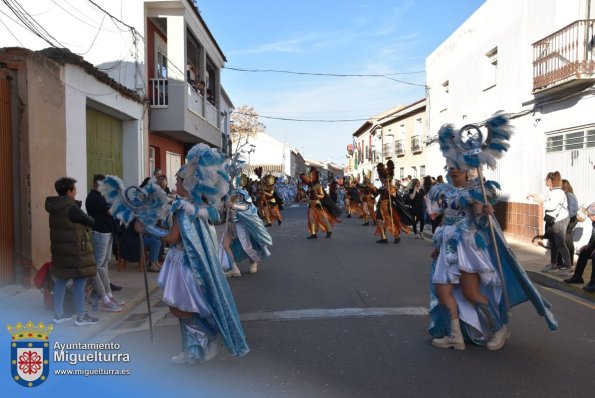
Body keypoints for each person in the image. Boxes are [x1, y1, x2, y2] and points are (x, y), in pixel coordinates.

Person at [428, 118, 556, 351]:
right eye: (450, 165)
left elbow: (478, 222)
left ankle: (500, 327)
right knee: (442, 290)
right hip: (447, 249)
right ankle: (455, 336)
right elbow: (445, 220)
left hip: (466, 248)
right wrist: (437, 246)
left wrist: (485, 212)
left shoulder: (476, 193)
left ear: (467, 169)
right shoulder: (444, 191)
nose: (453, 169)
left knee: (470, 293)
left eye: (458, 166)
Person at [138, 144, 249, 364]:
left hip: (184, 265)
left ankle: (200, 343)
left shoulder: (183, 208)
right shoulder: (198, 207)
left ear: (188, 185)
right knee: (183, 309)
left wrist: (147, 229)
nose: (176, 183)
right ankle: (194, 348)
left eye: (179, 181)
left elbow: (172, 238)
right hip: (186, 263)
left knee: (181, 309)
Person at [46, 177, 99, 326]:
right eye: (74, 189)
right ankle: (81, 316)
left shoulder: (54, 207)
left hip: (60, 251)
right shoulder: (72, 208)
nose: (76, 192)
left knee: (61, 281)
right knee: (79, 281)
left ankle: (58, 314)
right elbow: (90, 221)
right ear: (69, 191)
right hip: (75, 252)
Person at [85, 174, 125, 312]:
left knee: (105, 262)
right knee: (99, 265)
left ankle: (108, 295)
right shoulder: (94, 197)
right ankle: (105, 297)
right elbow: (111, 212)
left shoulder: (100, 196)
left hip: (107, 232)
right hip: (101, 233)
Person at [221, 189, 272, 277]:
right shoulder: (227, 194)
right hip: (231, 224)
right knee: (225, 245)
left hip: (242, 224)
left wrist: (233, 205)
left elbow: (246, 207)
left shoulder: (241, 192)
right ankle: (234, 269)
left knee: (247, 246)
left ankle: (254, 261)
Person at [528, 171, 571, 273]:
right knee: (553, 243)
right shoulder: (553, 191)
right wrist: (535, 196)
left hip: (560, 220)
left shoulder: (558, 192)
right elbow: (546, 199)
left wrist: (539, 201)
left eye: (547, 179)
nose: (545, 181)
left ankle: (569, 267)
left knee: (560, 243)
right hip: (553, 220)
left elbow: (551, 206)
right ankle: (553, 264)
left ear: (552, 181)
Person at [301, 167, 340, 239]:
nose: (310, 177)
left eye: (312, 175)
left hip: (318, 204)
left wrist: (318, 195)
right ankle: (313, 234)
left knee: (322, 219)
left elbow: (322, 195)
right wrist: (305, 196)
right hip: (311, 205)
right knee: (311, 219)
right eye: (310, 175)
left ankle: (328, 231)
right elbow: (308, 195)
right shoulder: (309, 186)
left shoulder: (318, 185)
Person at [564, 202, 595, 291]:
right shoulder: (594, 222)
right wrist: (589, 245)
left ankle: (593, 282)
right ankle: (577, 277)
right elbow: (593, 236)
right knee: (584, 251)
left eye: (591, 215)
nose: (589, 218)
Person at [560, 179, 578, 272]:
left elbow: (571, 211)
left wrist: (565, 220)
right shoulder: (570, 194)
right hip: (570, 220)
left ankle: (568, 263)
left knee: (567, 241)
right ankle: (565, 262)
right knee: (565, 240)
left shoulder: (568, 196)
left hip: (569, 221)